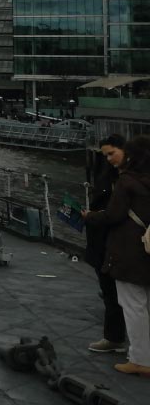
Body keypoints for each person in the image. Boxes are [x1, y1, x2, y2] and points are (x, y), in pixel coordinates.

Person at [84, 135, 150, 377]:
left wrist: (89, 216)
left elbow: (113, 215)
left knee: (133, 305)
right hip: (147, 248)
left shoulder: (127, 182)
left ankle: (140, 359)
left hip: (127, 252)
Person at [84, 135, 129, 354]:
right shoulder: (109, 176)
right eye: (105, 155)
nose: (109, 159)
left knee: (124, 295)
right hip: (102, 243)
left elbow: (114, 214)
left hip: (120, 243)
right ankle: (115, 337)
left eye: (112, 153)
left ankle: (117, 339)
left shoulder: (131, 179)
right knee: (111, 293)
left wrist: (92, 216)